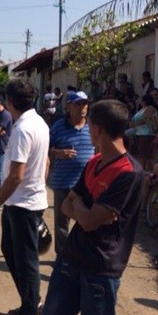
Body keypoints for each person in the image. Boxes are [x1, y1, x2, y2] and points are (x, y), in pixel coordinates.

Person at [35, 100, 145, 315]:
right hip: (71, 258)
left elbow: (89, 219)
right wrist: (82, 211)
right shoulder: (95, 162)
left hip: (101, 267)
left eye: (90, 124)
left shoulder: (130, 173)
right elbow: (70, 205)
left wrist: (81, 211)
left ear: (97, 128)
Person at [0, 79, 49, 315]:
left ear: (10, 102)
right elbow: (46, 161)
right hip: (22, 201)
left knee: (26, 260)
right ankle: (30, 302)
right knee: (10, 250)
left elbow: (16, 176)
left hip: (22, 205)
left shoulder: (23, 130)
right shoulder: (37, 122)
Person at [48, 91, 95, 256]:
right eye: (78, 104)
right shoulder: (58, 127)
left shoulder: (92, 126)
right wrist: (58, 153)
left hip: (87, 185)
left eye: (85, 104)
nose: (82, 108)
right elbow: (46, 149)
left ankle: (80, 255)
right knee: (62, 224)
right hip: (63, 183)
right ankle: (63, 258)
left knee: (85, 221)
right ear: (68, 107)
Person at [126, 94, 158, 169]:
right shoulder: (141, 109)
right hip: (139, 133)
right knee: (143, 154)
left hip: (147, 133)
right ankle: (146, 168)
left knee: (144, 154)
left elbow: (146, 119)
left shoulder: (150, 108)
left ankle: (144, 169)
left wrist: (134, 124)